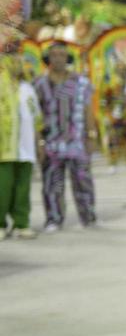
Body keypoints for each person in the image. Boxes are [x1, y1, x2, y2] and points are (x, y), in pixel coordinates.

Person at [33, 42, 96, 231]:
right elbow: (35, 116)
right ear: (48, 59)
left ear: (68, 58)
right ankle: (53, 219)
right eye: (54, 55)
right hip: (51, 143)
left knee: (83, 180)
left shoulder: (81, 82)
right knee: (52, 183)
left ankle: (88, 217)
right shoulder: (39, 84)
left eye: (62, 55)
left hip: (76, 142)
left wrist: (91, 136)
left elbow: (88, 110)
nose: (59, 58)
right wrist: (39, 142)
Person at [0, 51, 39, 238]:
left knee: (23, 188)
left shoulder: (27, 88)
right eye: (11, 60)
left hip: (26, 146)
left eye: (18, 60)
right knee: (2, 187)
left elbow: (36, 117)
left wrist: (39, 142)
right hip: (4, 148)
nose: (16, 63)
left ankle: (21, 223)